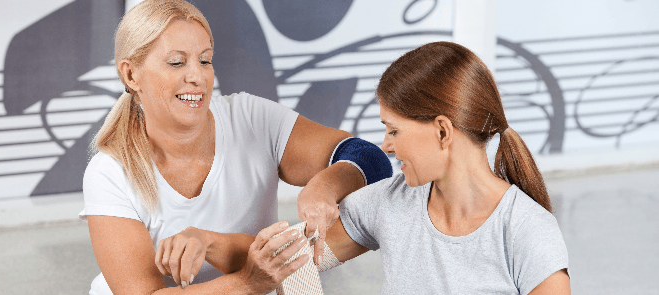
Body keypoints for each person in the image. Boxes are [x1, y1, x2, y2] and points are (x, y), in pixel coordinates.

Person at [79, 0, 391, 294]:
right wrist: (246, 283)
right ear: (131, 74)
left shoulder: (251, 118)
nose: (197, 76)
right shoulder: (109, 174)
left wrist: (325, 185)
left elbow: (372, 161)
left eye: (205, 60)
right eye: (176, 63)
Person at [322, 42, 570, 294]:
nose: (386, 145)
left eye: (394, 130)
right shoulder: (387, 203)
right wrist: (324, 187)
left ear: (442, 131)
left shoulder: (528, 229)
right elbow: (289, 264)